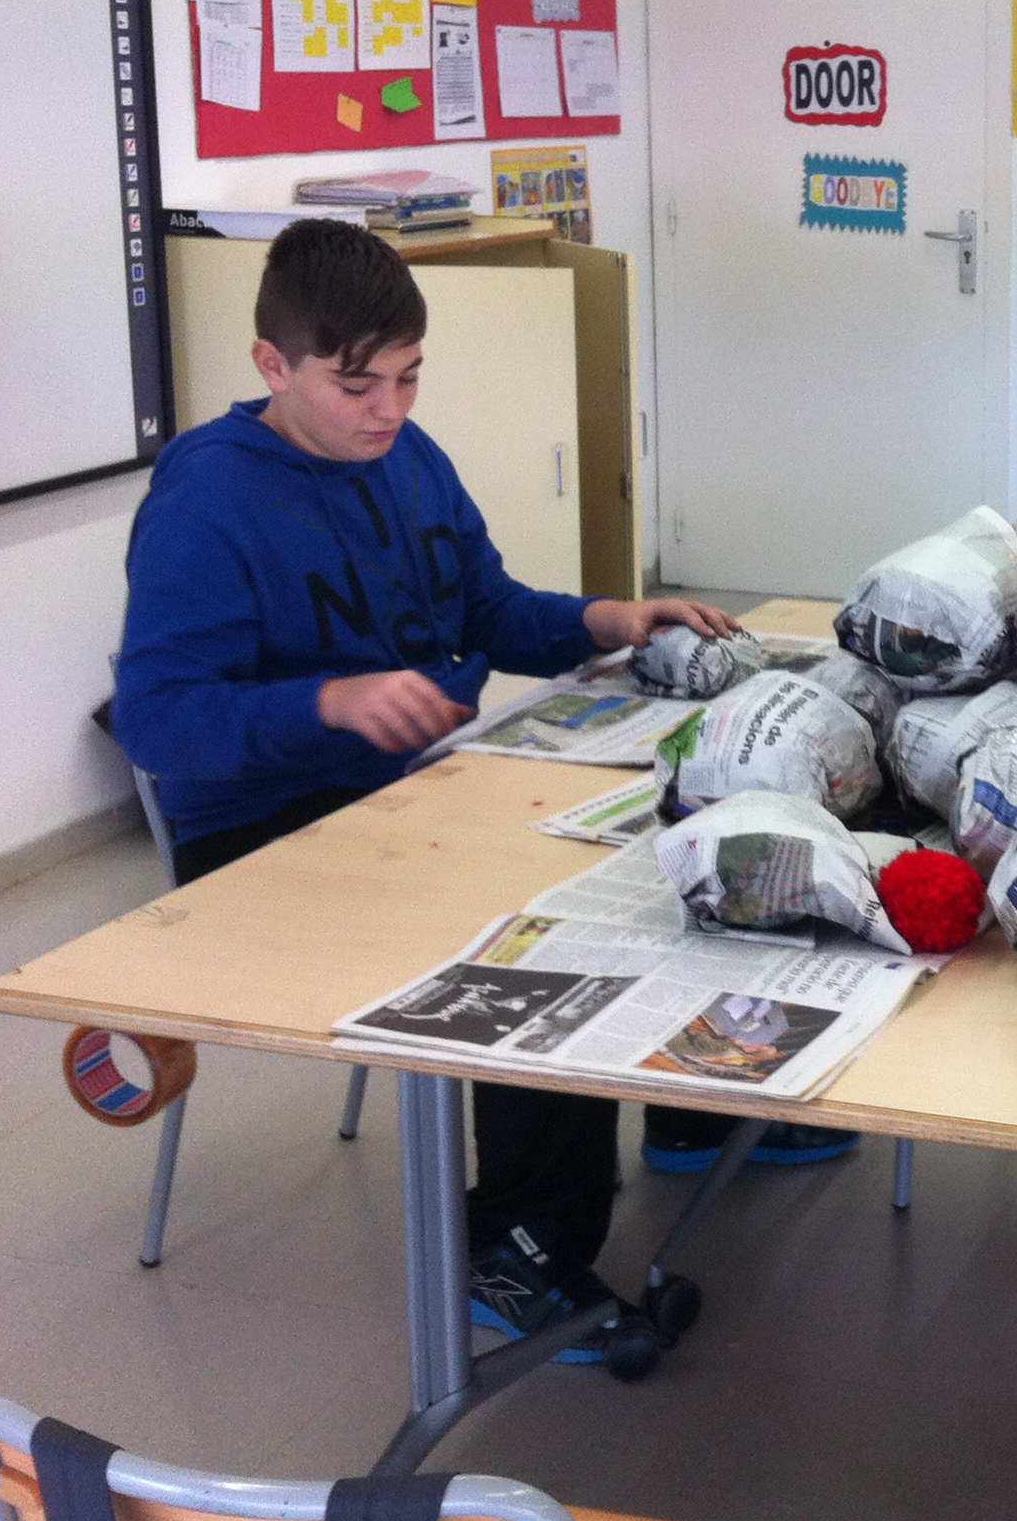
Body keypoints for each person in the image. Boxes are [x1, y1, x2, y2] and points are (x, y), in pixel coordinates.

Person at [111, 220, 828, 1363]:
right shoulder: (208, 498)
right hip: (263, 830)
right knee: (538, 944)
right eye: (356, 385)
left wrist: (607, 617)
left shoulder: (408, 455)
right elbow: (157, 720)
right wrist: (328, 702)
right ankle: (513, 1248)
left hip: (408, 792)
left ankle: (691, 1118)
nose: (387, 410)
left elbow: (484, 607)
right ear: (271, 365)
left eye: (407, 377)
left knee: (678, 835)